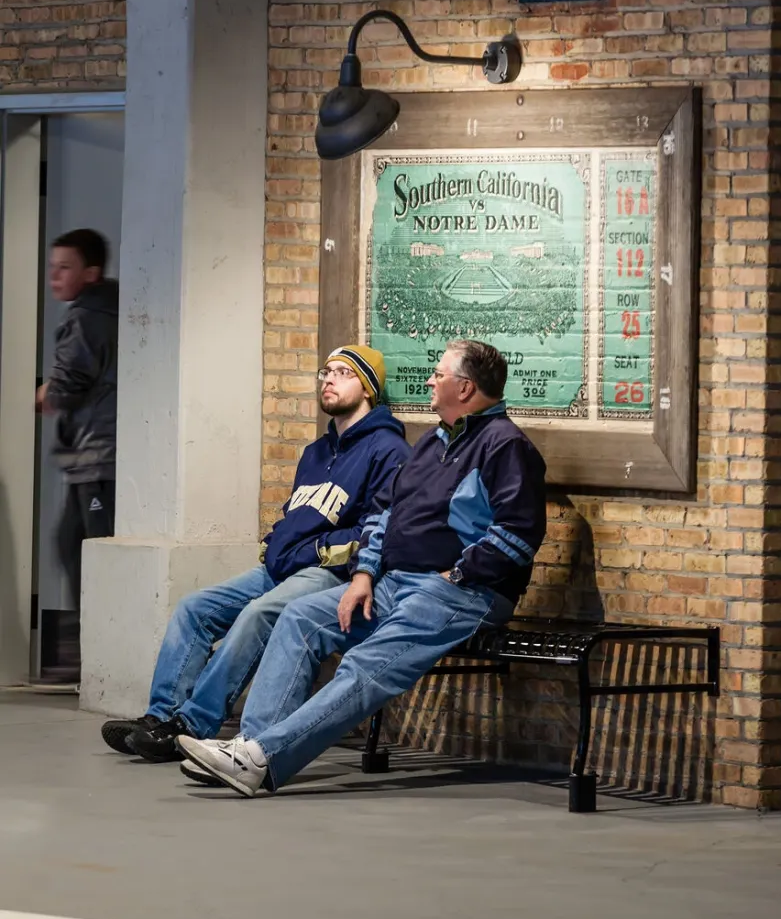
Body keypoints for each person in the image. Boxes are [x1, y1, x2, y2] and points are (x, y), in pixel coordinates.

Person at [176, 338, 547, 796]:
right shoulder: (432, 441)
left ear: (465, 388)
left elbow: (518, 535)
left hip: (461, 593)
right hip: (395, 583)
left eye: (440, 373)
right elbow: (385, 514)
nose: (431, 380)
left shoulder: (505, 445)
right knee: (299, 619)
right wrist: (364, 575)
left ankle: (263, 760)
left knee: (365, 663)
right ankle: (249, 748)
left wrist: (459, 574)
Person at [100, 345, 411, 761]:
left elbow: (378, 526)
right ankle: (162, 718)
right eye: (326, 372)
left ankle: (192, 724)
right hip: (282, 567)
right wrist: (278, 539)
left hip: (330, 574)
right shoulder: (316, 453)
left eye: (344, 373)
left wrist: (320, 550)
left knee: (258, 614)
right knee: (195, 608)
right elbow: (297, 513)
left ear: (369, 388)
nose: (329, 379)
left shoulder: (388, 450)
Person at [37, 228, 118, 619]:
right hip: (91, 457)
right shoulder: (111, 305)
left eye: (65, 267)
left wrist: (42, 395)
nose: (54, 275)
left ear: (91, 272)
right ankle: (83, 648)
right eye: (53, 267)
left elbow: (68, 386)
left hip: (98, 456)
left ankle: (93, 649)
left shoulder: (87, 317)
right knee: (70, 545)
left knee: (88, 553)